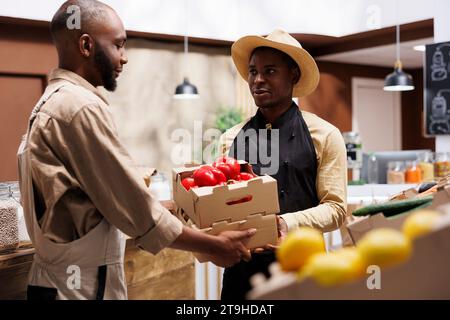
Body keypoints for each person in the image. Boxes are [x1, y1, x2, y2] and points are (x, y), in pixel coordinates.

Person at [17, 0, 254, 300]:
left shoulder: (50, 102)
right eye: (118, 45)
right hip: (80, 287)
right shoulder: (80, 107)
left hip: (54, 281)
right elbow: (135, 207)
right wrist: (213, 246)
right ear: (87, 45)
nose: (124, 57)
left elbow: (93, 197)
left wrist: (168, 205)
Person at [218, 29, 348, 299]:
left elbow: (336, 209)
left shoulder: (325, 135)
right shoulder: (229, 138)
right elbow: (219, 209)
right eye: (253, 72)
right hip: (242, 274)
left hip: (303, 269)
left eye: (270, 71)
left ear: (293, 75)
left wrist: (286, 223)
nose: (258, 80)